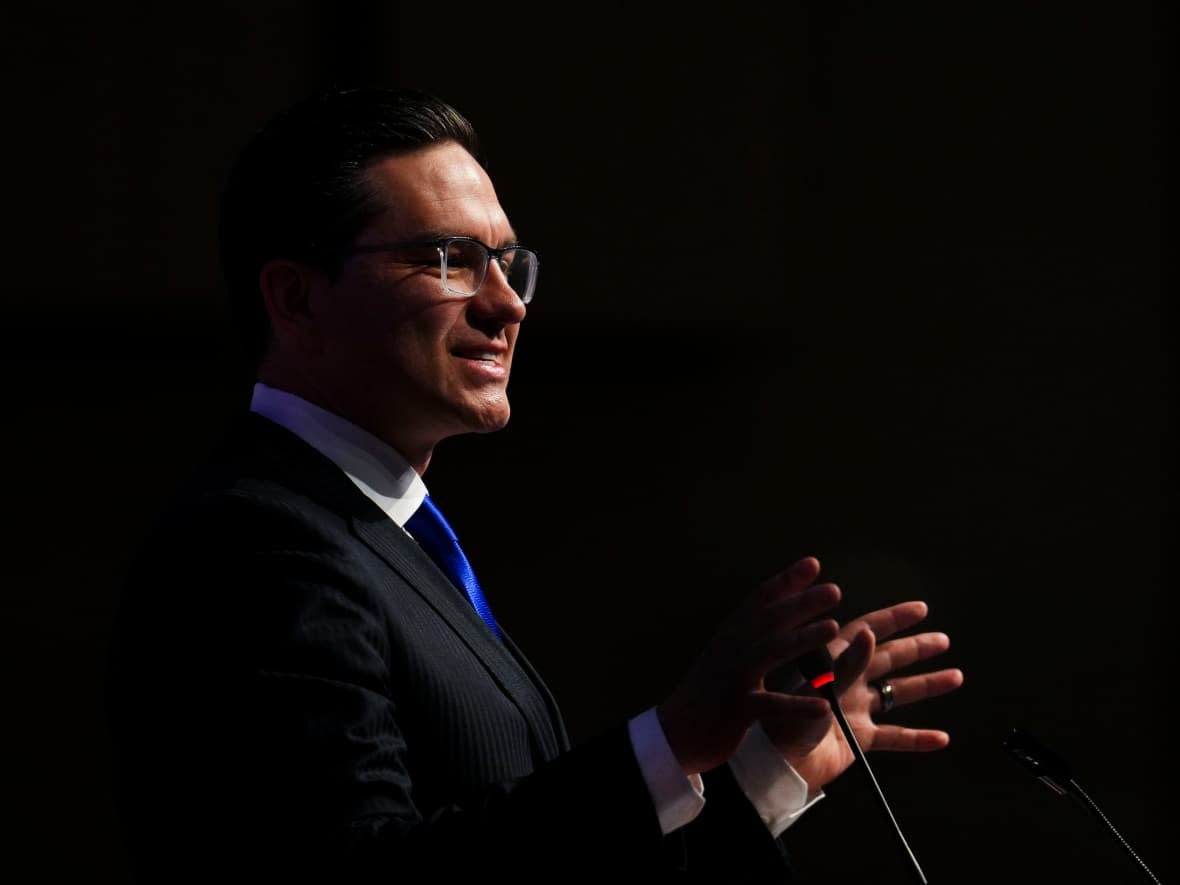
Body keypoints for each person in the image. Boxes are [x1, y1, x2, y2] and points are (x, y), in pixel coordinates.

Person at [105, 86, 964, 883]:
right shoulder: (256, 540)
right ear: (296, 299)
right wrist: (671, 739)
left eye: (509, 263)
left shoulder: (386, 536)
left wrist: (764, 773)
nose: (507, 304)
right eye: (449, 259)